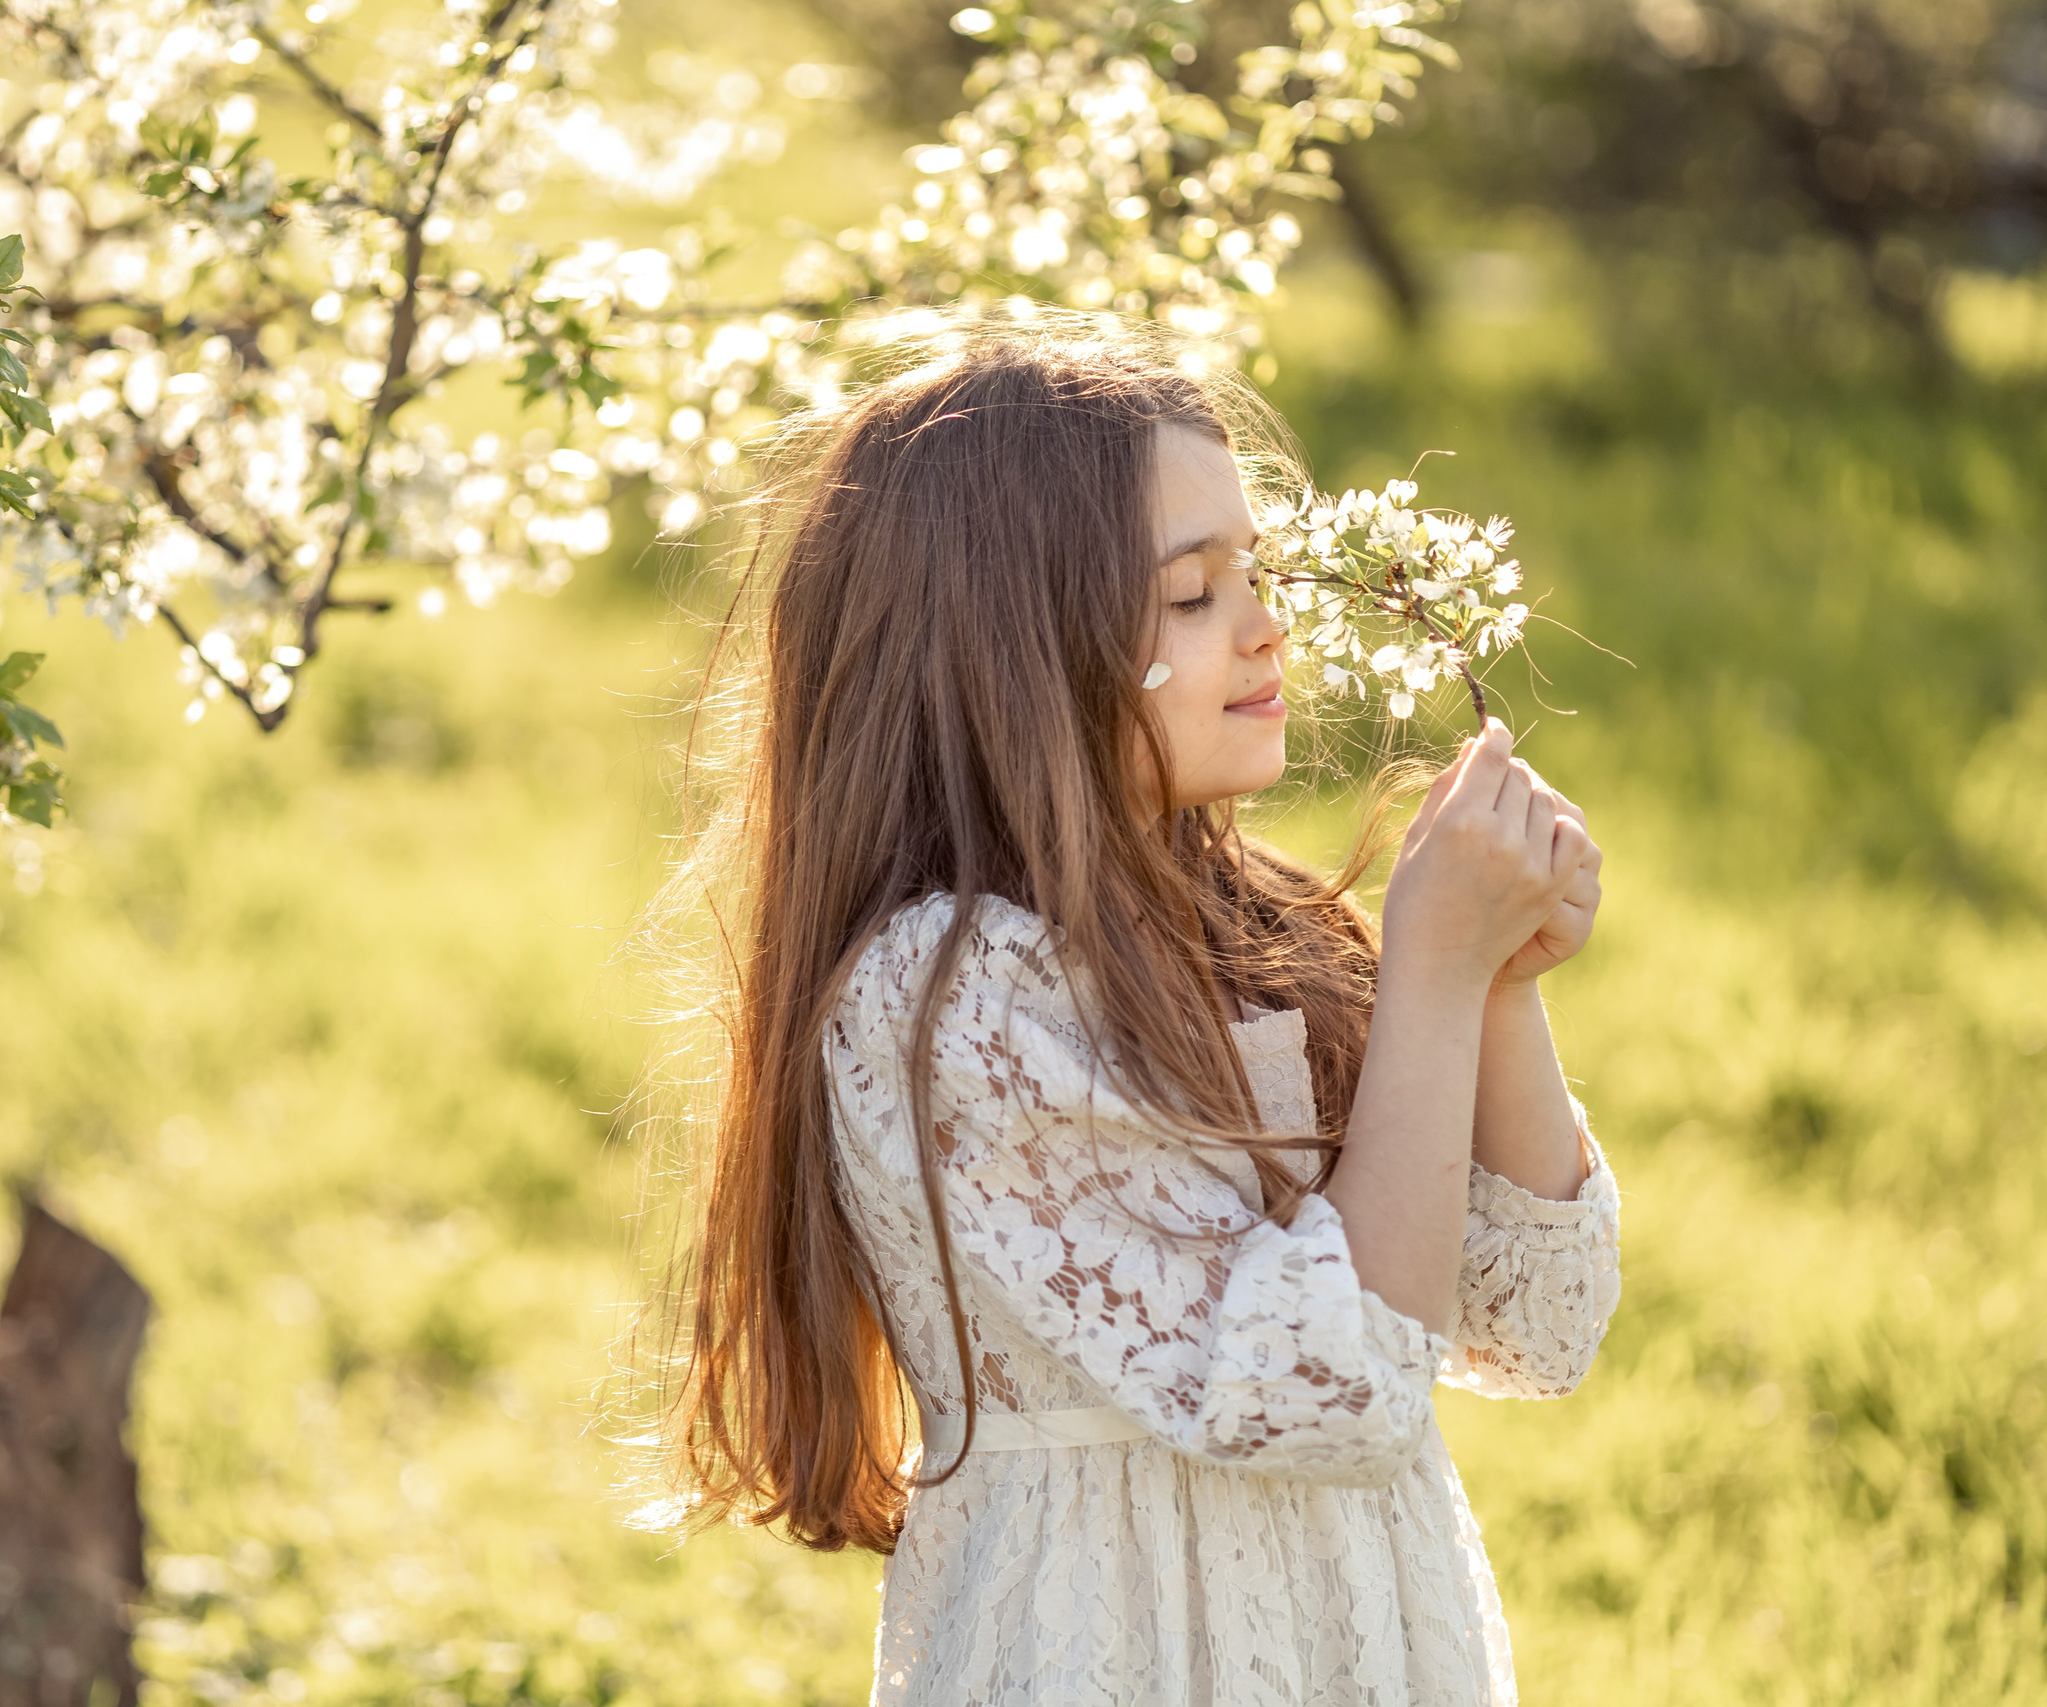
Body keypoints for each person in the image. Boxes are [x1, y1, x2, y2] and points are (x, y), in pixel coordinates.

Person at [658, 321, 1622, 1704]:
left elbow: (1537, 1323)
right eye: (1189, 596)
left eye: (1258, 573)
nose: (1267, 624)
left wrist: (1490, 982)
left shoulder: (1265, 932)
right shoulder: (947, 1000)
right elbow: (1321, 1387)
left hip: (1361, 1643)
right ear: (1017, 645)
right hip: (1107, 1650)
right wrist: (1427, 975)